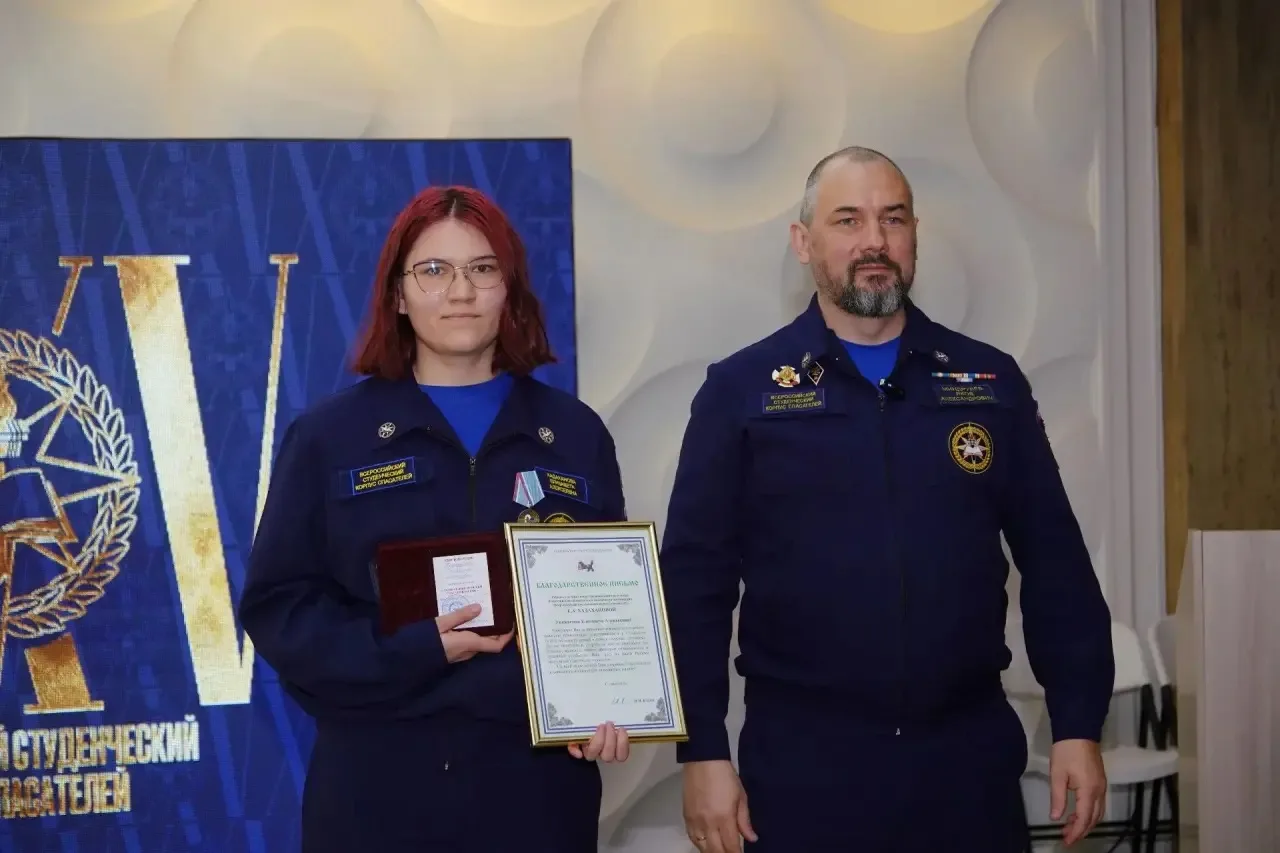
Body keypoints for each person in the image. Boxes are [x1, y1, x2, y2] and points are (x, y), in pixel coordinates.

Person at [659, 147, 1115, 852]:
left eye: (892, 219)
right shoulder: (740, 392)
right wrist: (702, 750)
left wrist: (1078, 724)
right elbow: (694, 586)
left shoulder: (988, 383)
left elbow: (1056, 563)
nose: (874, 240)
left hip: (966, 764)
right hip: (805, 770)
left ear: (914, 236)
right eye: (848, 220)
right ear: (804, 242)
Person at [239, 185, 631, 853]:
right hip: (378, 790)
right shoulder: (331, 438)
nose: (461, 291)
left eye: (483, 269)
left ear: (510, 289)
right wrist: (418, 647)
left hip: (535, 796)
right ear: (398, 294)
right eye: (434, 270)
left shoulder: (574, 434)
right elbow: (281, 610)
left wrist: (606, 703)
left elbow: (606, 611)